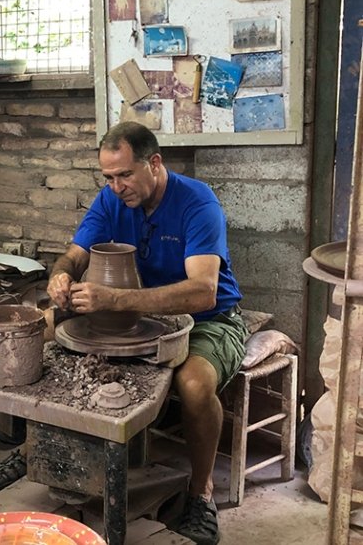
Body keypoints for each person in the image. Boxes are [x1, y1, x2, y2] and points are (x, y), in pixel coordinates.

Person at [47, 121, 247, 545]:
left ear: (154, 163)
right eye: (108, 177)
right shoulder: (110, 200)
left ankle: (201, 494)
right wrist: (60, 277)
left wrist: (115, 300)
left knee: (194, 384)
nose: (116, 187)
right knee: (45, 328)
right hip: (134, 318)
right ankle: (36, 450)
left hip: (210, 319)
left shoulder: (197, 202)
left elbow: (203, 291)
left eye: (124, 175)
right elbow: (74, 255)